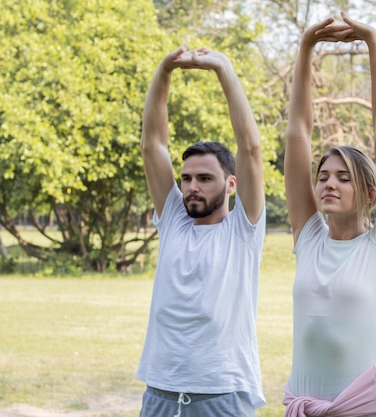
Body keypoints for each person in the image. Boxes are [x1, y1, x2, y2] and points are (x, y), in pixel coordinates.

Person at [282, 11, 376, 417]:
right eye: (323, 177)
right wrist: (305, 48)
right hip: (305, 408)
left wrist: (373, 41)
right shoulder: (309, 236)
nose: (329, 184)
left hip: (364, 409)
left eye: (344, 178)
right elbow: (298, 133)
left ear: (370, 192)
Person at [137, 45, 266, 417]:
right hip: (160, 392)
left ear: (230, 185)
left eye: (205, 178)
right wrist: (163, 72)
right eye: (187, 178)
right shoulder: (175, 220)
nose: (192, 186)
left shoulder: (243, 229)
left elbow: (251, 148)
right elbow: (152, 145)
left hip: (222, 395)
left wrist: (224, 69)